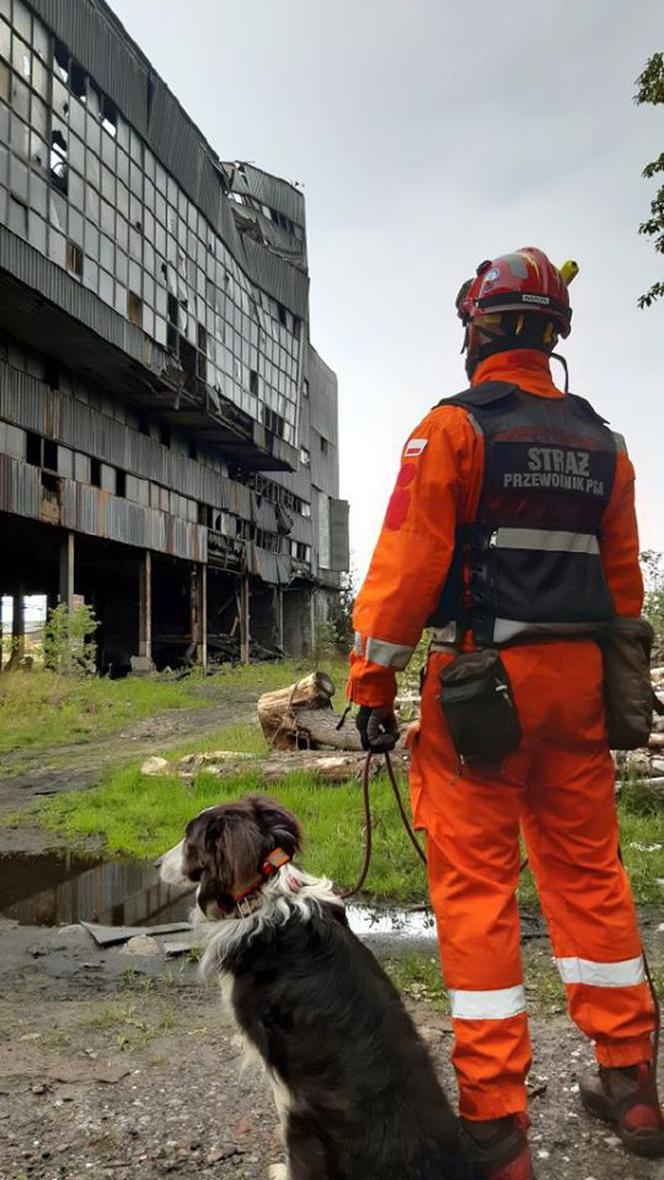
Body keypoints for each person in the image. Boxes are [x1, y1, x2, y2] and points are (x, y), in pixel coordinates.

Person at [347, 247, 663, 1180]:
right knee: (591, 880)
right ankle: (633, 1085)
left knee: (479, 897)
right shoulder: (607, 444)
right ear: (553, 334)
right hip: (577, 691)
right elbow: (623, 587)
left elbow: (404, 571)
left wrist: (370, 686)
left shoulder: (451, 430)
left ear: (479, 328)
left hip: (481, 692)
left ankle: (496, 1128)